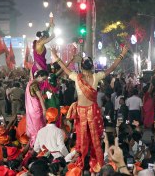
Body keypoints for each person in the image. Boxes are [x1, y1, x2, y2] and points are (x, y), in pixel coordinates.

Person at [52, 45, 128, 173]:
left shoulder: (77, 77)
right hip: (92, 111)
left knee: (81, 140)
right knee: (95, 140)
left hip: (82, 111)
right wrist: (122, 54)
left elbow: (64, 69)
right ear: (92, 66)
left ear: (81, 67)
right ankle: (98, 164)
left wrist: (57, 57)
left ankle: (81, 166)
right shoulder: (96, 76)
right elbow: (112, 68)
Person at [25, 70, 48, 147]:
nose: (43, 81)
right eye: (43, 79)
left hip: (31, 109)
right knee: (39, 129)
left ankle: (35, 146)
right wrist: (44, 109)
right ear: (39, 76)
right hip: (36, 110)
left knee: (34, 128)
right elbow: (40, 98)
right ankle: (38, 146)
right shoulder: (34, 85)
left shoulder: (30, 83)